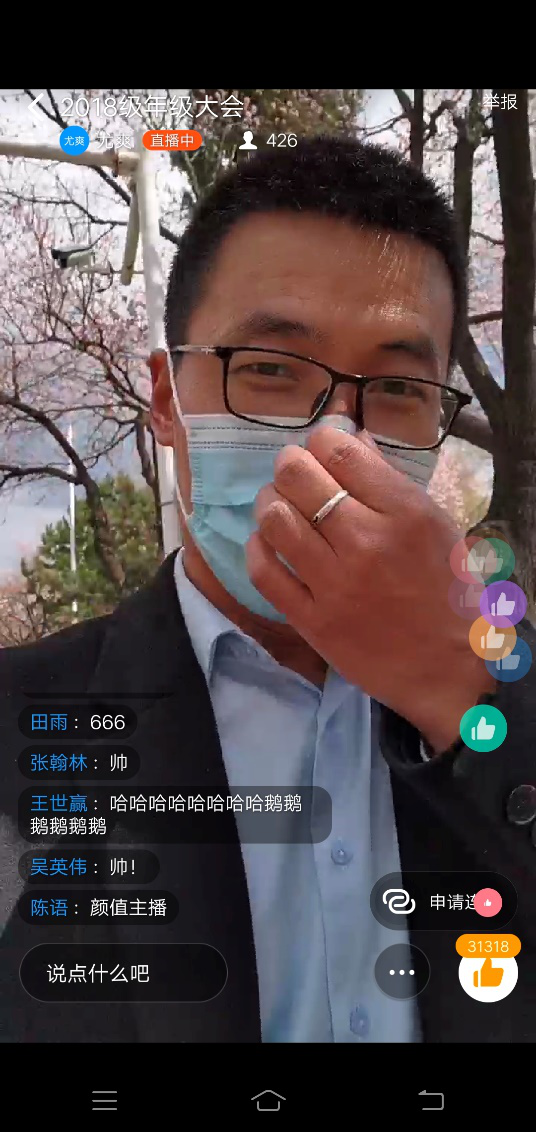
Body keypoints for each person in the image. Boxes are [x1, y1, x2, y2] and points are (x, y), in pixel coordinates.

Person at [1, 136, 535, 1045]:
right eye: (271, 372)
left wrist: (472, 699)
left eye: (397, 387)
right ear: (166, 400)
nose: (335, 443)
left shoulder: (502, 693)